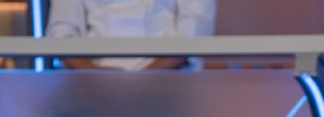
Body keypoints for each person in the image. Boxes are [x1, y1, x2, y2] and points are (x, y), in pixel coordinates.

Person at [46, 0, 217, 71]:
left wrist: (148, 77)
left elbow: (194, 30)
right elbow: (61, 34)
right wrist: (96, 76)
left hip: (170, 83)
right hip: (90, 86)